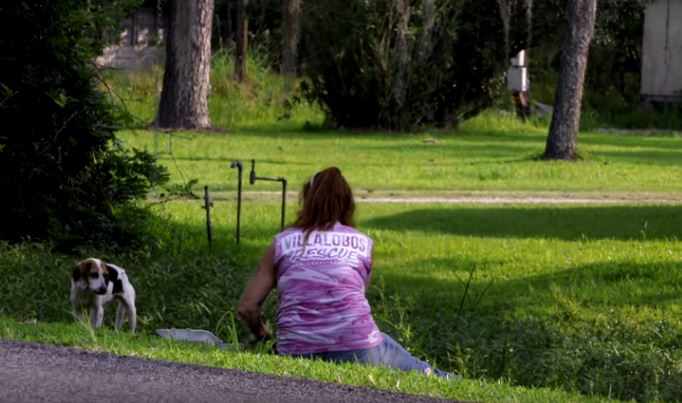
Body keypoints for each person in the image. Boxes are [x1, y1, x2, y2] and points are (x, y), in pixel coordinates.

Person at [237, 167, 458, 379]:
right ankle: (443, 378)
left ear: (307, 201)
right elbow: (353, 304)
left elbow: (247, 308)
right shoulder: (362, 244)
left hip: (296, 349)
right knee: (390, 348)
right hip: (357, 349)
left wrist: (263, 336)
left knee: (386, 342)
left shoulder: (282, 243)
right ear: (347, 204)